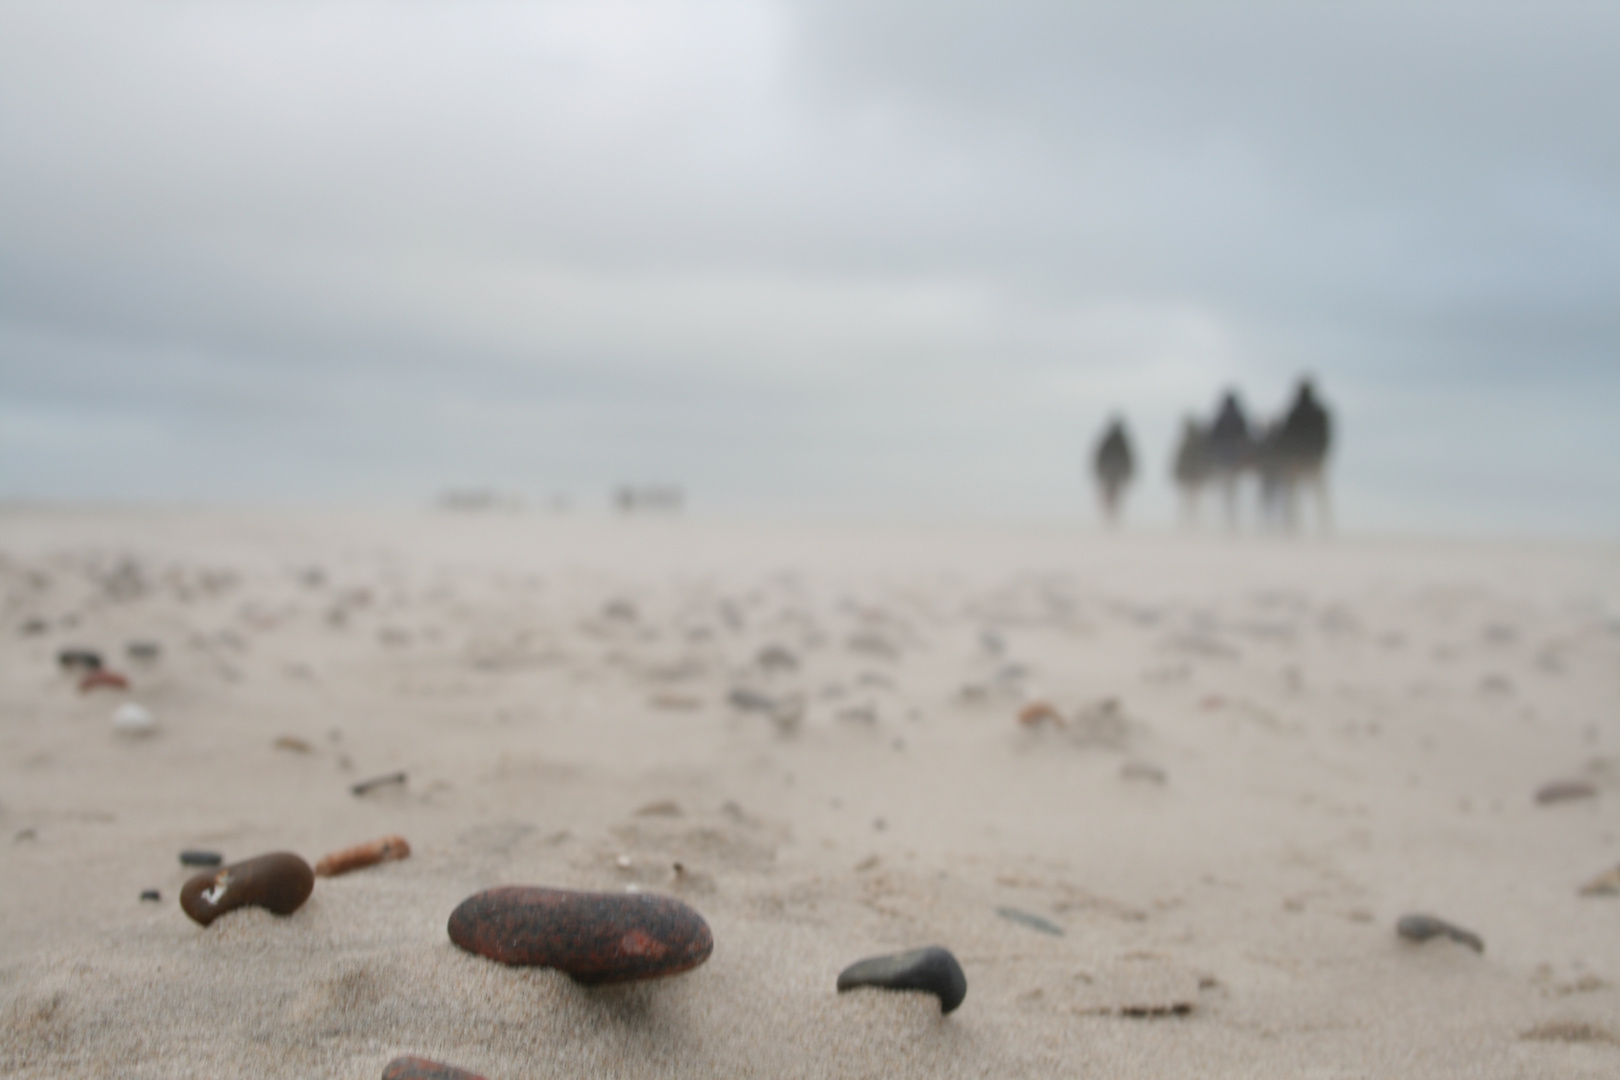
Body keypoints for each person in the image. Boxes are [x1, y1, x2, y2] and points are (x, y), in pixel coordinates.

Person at [1274, 377, 1333, 532]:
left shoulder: (1294, 412)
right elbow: (1326, 438)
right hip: (1313, 459)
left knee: (1293, 496)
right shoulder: (1319, 412)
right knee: (1317, 496)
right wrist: (1321, 456)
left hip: (1297, 459)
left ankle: (1293, 527)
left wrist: (1287, 458)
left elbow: (1285, 438)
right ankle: (1324, 526)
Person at [1203, 390, 1253, 530]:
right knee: (1233, 491)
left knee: (1225, 490)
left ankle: (1225, 521)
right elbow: (1246, 440)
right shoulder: (1239, 418)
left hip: (1221, 460)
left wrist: (1210, 459)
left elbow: (1211, 440)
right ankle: (1232, 521)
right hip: (1235, 460)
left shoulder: (1219, 418)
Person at [1092, 416, 1135, 527]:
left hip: (1111, 476)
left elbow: (1100, 458)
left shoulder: (1111, 441)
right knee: (1113, 497)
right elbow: (1128, 460)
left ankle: (1110, 518)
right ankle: (1111, 518)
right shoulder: (1122, 442)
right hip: (1112, 476)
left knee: (1111, 497)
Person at [1171, 416, 1209, 526]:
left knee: (1189, 500)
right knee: (1193, 500)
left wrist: (1178, 474)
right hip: (1194, 477)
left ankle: (1190, 522)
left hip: (1191, 477)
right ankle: (1190, 522)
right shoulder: (1199, 442)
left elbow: (1181, 460)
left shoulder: (1187, 442)